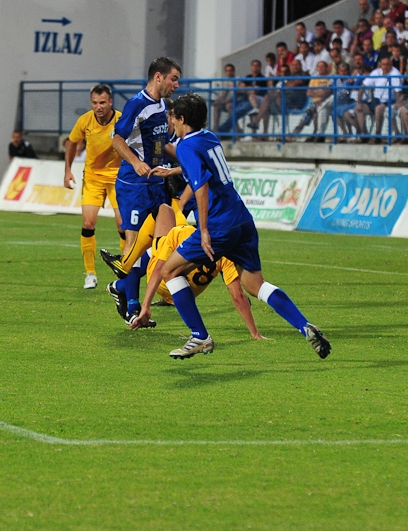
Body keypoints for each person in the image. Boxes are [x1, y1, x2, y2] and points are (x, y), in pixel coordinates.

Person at [130, 93, 330, 360]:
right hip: (242, 220)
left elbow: (201, 187)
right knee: (256, 285)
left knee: (169, 270)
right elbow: (206, 168)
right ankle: (303, 325)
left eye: (173, 117)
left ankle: (199, 336)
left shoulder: (186, 146)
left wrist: (203, 230)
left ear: (182, 118)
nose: (171, 122)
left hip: (218, 225)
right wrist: (174, 171)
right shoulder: (209, 137)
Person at [101, 56, 181, 324]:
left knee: (161, 244)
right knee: (134, 243)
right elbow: (117, 140)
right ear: (158, 77)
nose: (176, 85)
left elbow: (163, 145)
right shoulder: (137, 104)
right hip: (134, 185)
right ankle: (132, 307)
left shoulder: (161, 105)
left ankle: (120, 286)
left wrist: (187, 160)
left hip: (157, 183)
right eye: (173, 79)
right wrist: (136, 163)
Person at [113, 204, 265, 338]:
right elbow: (238, 296)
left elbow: (159, 269)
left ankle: (126, 275)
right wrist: (255, 333)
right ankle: (120, 285)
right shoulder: (227, 254)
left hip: (163, 280)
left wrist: (146, 306)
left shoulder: (183, 233)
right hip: (182, 295)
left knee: (164, 211)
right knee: (167, 237)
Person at [63, 84, 125, 290]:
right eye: (95, 103)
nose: (99, 107)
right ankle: (90, 273)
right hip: (93, 177)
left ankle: (125, 270)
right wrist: (68, 170)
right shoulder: (85, 121)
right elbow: (72, 143)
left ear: (110, 102)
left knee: (123, 226)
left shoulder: (121, 119)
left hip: (118, 178)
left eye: (103, 103)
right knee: (88, 223)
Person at [211, 63, 236, 131]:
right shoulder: (227, 82)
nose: (229, 72)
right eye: (227, 71)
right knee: (217, 106)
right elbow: (224, 94)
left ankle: (235, 128)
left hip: (236, 102)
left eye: (230, 70)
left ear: (234, 71)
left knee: (229, 106)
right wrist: (217, 101)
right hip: (227, 102)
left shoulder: (237, 80)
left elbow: (238, 95)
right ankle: (215, 128)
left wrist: (227, 101)